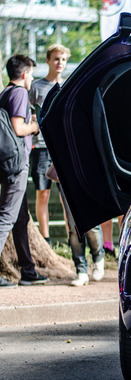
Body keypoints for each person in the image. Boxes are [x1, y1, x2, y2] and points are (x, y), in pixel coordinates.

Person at [0, 55, 48, 287]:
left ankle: (28, 271)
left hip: (7, 162)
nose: (31, 77)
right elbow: (19, 128)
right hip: (17, 165)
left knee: (20, 218)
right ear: (24, 74)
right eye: (30, 73)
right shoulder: (19, 94)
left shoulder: (5, 93)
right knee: (7, 217)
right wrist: (37, 125)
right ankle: (26, 271)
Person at [28, 44, 70, 245]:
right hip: (41, 147)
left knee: (67, 197)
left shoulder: (69, 84)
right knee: (43, 194)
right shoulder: (36, 86)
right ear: (48, 61)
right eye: (56, 59)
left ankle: (73, 236)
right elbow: (29, 116)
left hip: (63, 149)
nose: (59, 63)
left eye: (63, 59)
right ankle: (46, 239)